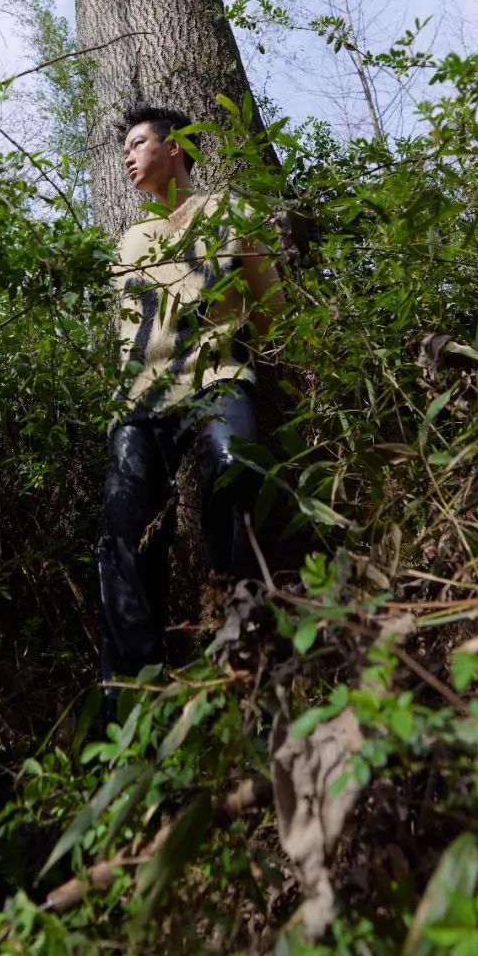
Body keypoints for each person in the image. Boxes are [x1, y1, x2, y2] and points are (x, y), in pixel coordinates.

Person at [95, 105, 285, 723]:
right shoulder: (130, 240)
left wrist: (231, 344)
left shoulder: (227, 213)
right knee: (122, 531)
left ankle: (244, 636)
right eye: (124, 146)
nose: (127, 155)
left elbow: (271, 306)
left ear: (174, 147)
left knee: (236, 469)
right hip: (141, 401)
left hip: (217, 377)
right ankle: (131, 692)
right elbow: (123, 335)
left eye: (138, 142)